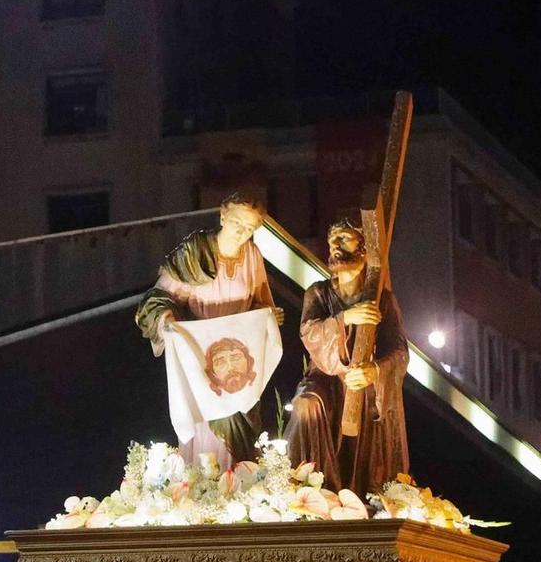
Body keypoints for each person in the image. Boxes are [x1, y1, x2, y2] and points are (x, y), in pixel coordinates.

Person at [135, 192, 283, 466]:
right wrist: (167, 319)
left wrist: (269, 316)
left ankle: (241, 486)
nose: (242, 233)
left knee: (241, 428)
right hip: (202, 360)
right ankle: (208, 488)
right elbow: (157, 298)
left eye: (249, 229)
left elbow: (262, 303)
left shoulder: (252, 256)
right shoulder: (195, 253)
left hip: (240, 364)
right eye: (238, 223)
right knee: (210, 429)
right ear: (223, 215)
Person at [283, 216, 411, 494]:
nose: (336, 246)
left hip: (364, 384)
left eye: (344, 238)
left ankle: (364, 493)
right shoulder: (318, 293)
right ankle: (305, 485)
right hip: (326, 379)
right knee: (306, 405)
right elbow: (309, 333)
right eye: (332, 241)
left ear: (364, 247)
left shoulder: (383, 301)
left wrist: (374, 371)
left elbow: (399, 351)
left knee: (370, 410)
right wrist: (345, 317)